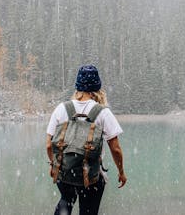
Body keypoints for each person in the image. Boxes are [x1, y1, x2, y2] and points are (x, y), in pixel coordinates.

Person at [46, 65, 127, 215]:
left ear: (78, 87)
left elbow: (49, 145)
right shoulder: (103, 112)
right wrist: (121, 172)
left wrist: (53, 165)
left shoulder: (61, 108)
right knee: (88, 210)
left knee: (66, 200)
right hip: (91, 176)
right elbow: (115, 148)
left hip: (65, 172)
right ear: (97, 88)